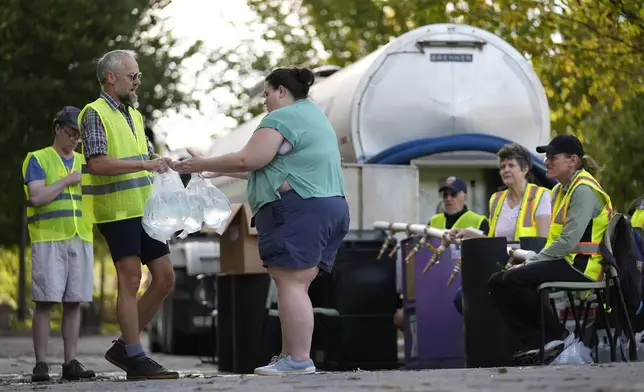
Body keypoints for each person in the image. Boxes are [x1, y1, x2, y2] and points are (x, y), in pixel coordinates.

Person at [175, 67, 350, 376]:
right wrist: (217, 169)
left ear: (281, 90)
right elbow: (265, 167)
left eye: (267, 94)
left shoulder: (281, 118)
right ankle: (292, 356)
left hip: (299, 210)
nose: (265, 102)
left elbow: (248, 159)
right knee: (298, 286)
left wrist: (201, 162)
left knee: (291, 284)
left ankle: (297, 359)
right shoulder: (312, 115)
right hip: (330, 207)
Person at [79, 49, 178, 380]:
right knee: (131, 278)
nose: (138, 81)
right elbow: (97, 163)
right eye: (132, 75)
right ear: (111, 78)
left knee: (165, 277)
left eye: (138, 76)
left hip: (144, 208)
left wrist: (177, 165)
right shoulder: (94, 113)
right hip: (117, 210)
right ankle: (135, 356)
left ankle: (125, 345)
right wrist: (145, 164)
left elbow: (148, 156)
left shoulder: (134, 115)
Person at [487, 134, 613, 365]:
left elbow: (566, 243)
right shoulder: (560, 190)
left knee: (513, 281)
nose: (546, 162)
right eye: (546, 157)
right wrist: (530, 261)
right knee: (497, 281)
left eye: (553, 157)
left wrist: (531, 262)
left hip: (583, 267)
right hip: (565, 262)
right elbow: (556, 242)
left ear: (573, 161)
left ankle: (556, 339)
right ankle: (548, 341)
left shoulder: (584, 190)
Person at [21, 107, 97, 382]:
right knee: (44, 302)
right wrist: (66, 180)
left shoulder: (86, 161)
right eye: (71, 132)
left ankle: (70, 362)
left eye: (78, 135)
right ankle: (41, 364)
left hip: (80, 237)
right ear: (57, 129)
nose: (75, 138)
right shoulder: (38, 159)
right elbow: (37, 197)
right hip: (49, 239)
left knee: (74, 302)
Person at [447, 143, 552, 315]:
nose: (505, 170)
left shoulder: (541, 196)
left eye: (511, 165)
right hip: (500, 266)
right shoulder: (496, 199)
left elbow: (542, 241)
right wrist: (469, 233)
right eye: (502, 166)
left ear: (525, 169)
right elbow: (493, 241)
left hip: (528, 266)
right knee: (461, 298)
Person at [393, 176, 488, 328]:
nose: (448, 199)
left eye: (453, 194)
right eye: (445, 195)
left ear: (465, 196)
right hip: (435, 285)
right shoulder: (434, 221)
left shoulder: (480, 221)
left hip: (465, 283)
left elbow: (487, 250)